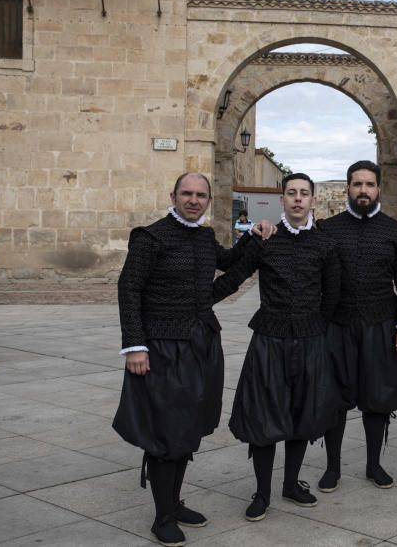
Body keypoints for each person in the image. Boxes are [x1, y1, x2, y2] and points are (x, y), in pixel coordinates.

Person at [113, 173, 272, 547]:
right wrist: (135, 345)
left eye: (201, 195)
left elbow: (230, 263)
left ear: (208, 200)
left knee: (187, 427)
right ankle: (163, 517)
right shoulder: (150, 237)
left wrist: (255, 236)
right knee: (165, 430)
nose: (194, 200)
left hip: (200, 345)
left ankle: (173, 502)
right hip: (162, 347)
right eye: (187, 193)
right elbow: (129, 289)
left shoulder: (203, 237)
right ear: (173, 195)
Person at [211, 173, 341, 521]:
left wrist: (318, 329)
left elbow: (333, 294)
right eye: (291, 193)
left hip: (310, 339)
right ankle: (263, 492)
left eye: (304, 194)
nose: (298, 199)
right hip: (269, 338)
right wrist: (192, 302)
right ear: (283, 199)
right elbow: (233, 278)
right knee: (265, 415)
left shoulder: (325, 244)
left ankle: (291, 483)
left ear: (313, 199)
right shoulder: (266, 238)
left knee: (302, 414)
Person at [315, 160, 397, 491]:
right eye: (357, 184)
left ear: (378, 189)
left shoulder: (395, 231)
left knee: (377, 398)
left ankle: (374, 465)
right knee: (335, 399)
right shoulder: (328, 230)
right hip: (338, 326)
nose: (363, 190)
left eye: (369, 185)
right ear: (347, 188)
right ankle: (333, 468)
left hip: (380, 324)